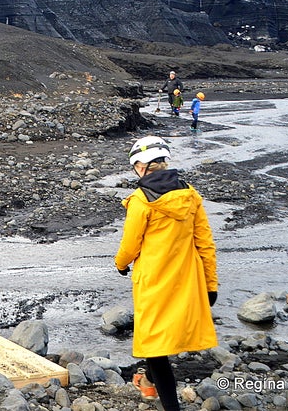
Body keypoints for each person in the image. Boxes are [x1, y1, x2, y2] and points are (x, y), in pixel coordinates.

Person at [115, 136, 218, 411]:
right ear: (165, 161)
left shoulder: (140, 201)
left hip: (153, 283)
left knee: (153, 346)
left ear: (139, 166)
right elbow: (205, 242)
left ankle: (169, 405)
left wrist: (120, 264)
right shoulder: (190, 195)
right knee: (169, 338)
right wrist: (210, 284)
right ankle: (148, 382)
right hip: (187, 281)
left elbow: (130, 245)